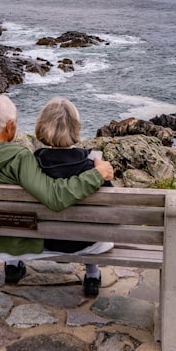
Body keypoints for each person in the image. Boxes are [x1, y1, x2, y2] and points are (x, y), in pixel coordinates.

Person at [0, 95, 115, 285]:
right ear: (10, 126)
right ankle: (92, 273)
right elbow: (55, 196)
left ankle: (12, 264)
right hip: (79, 241)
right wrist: (97, 173)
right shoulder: (20, 161)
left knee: (14, 217)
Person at [33, 97, 113, 296]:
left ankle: (12, 265)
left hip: (42, 240)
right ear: (75, 129)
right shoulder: (91, 167)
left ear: (42, 127)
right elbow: (109, 211)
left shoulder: (31, 166)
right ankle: (92, 274)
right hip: (85, 242)